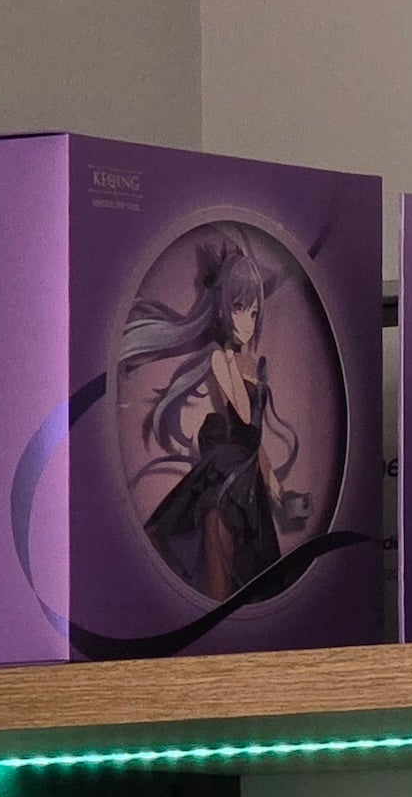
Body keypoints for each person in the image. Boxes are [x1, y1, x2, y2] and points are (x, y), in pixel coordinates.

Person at [119, 228, 300, 601]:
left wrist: (279, 492)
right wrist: (235, 362)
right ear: (222, 307)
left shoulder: (253, 364)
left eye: (253, 311)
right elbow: (245, 419)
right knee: (219, 583)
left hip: (248, 482)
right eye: (239, 308)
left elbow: (256, 440)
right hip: (224, 483)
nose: (248, 321)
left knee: (254, 584)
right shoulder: (221, 359)